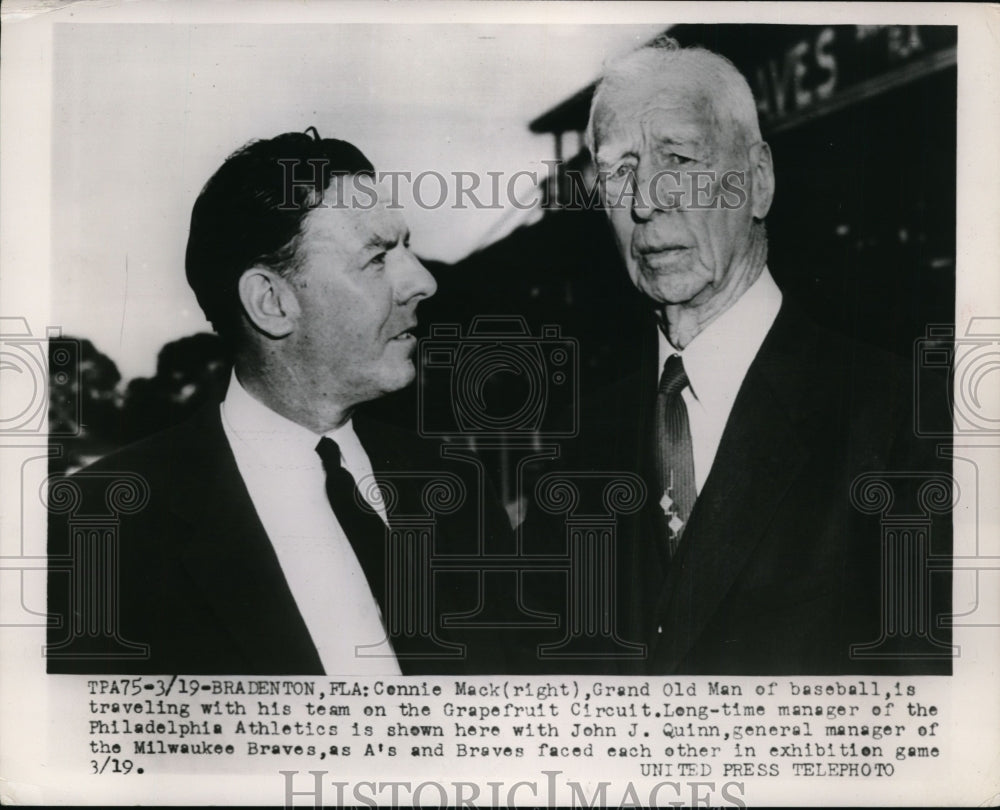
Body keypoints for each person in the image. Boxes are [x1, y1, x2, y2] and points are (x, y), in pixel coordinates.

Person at [525, 38, 952, 675]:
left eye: (679, 158)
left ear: (757, 181)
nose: (645, 201)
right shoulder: (576, 446)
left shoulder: (902, 417)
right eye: (620, 171)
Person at [47, 131, 512, 675]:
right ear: (271, 302)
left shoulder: (460, 485)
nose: (423, 281)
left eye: (407, 246)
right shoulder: (99, 530)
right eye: (378, 258)